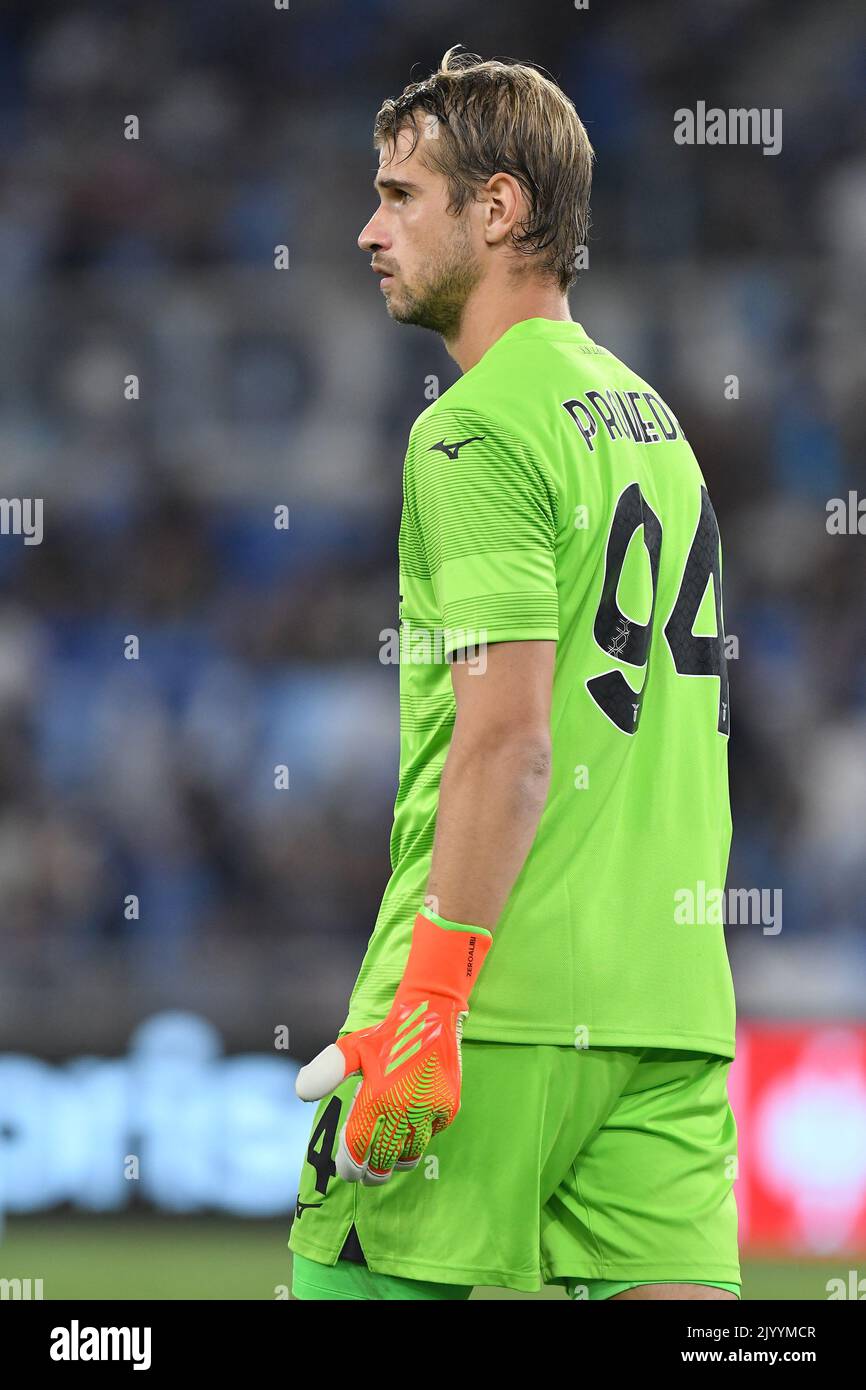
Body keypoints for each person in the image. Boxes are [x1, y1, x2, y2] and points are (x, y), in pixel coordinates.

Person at [289, 45, 739, 1302]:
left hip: (492, 1004)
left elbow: (509, 741)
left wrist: (429, 997)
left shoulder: (472, 426)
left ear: (498, 208)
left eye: (398, 196)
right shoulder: (656, 425)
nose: (366, 230)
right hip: (667, 1008)